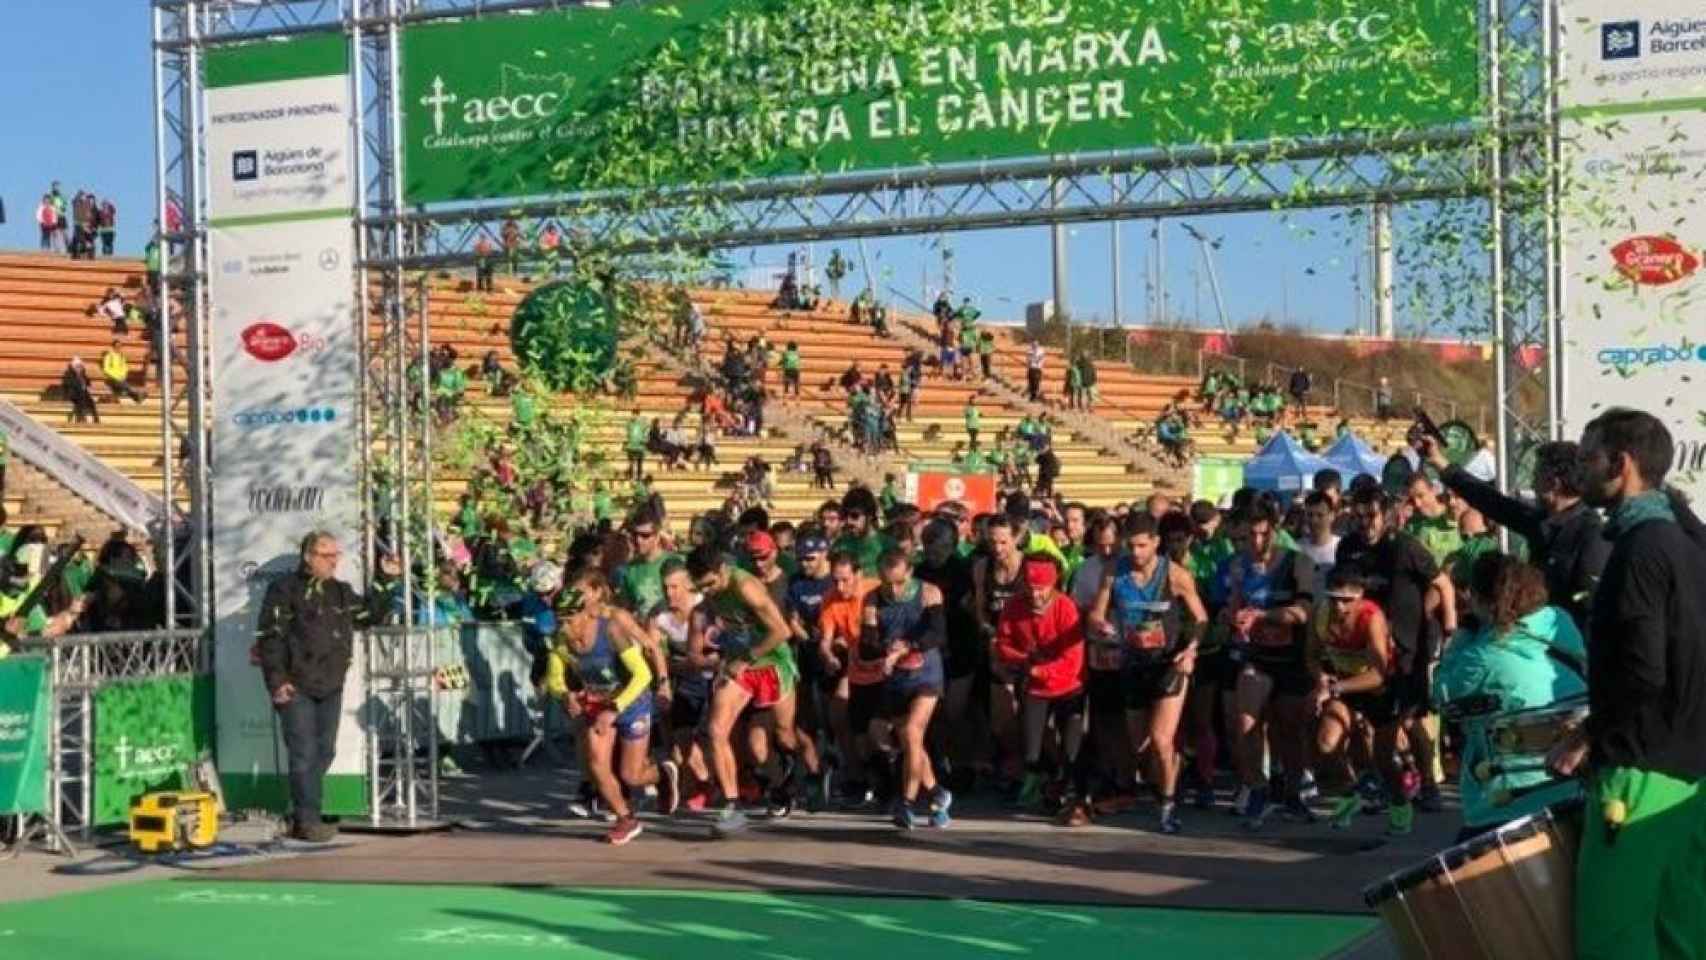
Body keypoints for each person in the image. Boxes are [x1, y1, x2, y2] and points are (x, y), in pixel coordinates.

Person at [1547, 409, 1706, 960]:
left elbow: (1642, 669)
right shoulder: (1687, 545)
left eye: (1588, 459)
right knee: (1680, 934)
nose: (1578, 473)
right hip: (1689, 775)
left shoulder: (1640, 550)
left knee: (1614, 938)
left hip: (1637, 774)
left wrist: (1589, 734)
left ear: (1621, 463)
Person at [1433, 554, 1586, 842]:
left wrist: (1462, 636)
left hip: (1508, 799)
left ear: (1479, 599)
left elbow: (1441, 695)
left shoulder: (1482, 656)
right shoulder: (1559, 621)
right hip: (1573, 784)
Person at [255, 532, 396, 842]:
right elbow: (271, 637)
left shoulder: (341, 592)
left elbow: (369, 616)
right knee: (303, 752)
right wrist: (277, 681)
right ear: (308, 556)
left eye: (336, 555)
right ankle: (308, 820)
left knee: (325, 750)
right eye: (326, 555)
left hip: (330, 684)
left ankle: (302, 811)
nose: (333, 561)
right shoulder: (284, 589)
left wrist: (385, 580)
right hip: (295, 684)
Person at [1336, 485, 1455, 833]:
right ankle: (1381, 783)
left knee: (1412, 719)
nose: (1364, 523)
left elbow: (1442, 584)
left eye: (1370, 515)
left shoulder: (1405, 547)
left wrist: (1446, 627)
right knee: (1367, 721)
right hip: (1366, 649)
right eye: (1356, 516)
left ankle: (1428, 784)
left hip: (1408, 649)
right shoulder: (1349, 547)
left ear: (1386, 514)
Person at [1420, 434, 1608, 633]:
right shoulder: (1541, 521)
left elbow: (1592, 606)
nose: (1533, 485)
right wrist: (1439, 461)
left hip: (1568, 650)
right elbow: (1490, 500)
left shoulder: (1592, 535)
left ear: (1554, 483)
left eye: (1536, 476)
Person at [543, 571, 679, 846]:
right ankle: (626, 818)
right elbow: (555, 679)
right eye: (560, 622)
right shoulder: (560, 640)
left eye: (570, 621)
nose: (566, 628)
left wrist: (616, 707)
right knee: (596, 764)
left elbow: (642, 675)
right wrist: (565, 694)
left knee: (631, 773)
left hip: (631, 700)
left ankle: (661, 774)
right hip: (598, 702)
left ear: (585, 615)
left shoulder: (612, 629)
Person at [687, 544, 803, 837]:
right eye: (703, 588)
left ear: (723, 570)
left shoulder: (747, 587)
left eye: (711, 585)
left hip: (771, 663)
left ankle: (790, 776)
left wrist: (747, 658)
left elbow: (782, 632)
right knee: (716, 731)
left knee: (780, 736)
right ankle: (731, 805)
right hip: (740, 666)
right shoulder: (711, 592)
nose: (709, 592)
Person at [1224, 499, 1316, 828]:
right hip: (1256, 657)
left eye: (1263, 535)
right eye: (1250, 536)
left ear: (1274, 532)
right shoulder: (1238, 565)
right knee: (1245, 723)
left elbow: (1303, 612)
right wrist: (1235, 617)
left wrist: (1265, 615)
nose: (1257, 543)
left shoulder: (1296, 563)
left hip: (1292, 658)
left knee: (1289, 731)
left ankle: (1293, 793)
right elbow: (1232, 605)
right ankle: (1258, 789)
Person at [1305, 564, 1401, 830]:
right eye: (1334, 599)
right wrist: (1320, 678)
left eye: (1347, 601)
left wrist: (1334, 689)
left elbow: (1379, 675)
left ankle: (1401, 808)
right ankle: (1353, 792)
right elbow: (1311, 656)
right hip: (1343, 682)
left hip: (1379, 687)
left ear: (1360, 596)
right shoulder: (1320, 614)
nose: (1340, 608)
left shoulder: (1371, 618)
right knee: (1326, 742)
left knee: (1383, 760)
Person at [862, 547, 952, 829]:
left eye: (899, 583)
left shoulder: (929, 593)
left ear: (910, 573)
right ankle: (938, 793)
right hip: (896, 676)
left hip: (926, 672)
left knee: (913, 731)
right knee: (906, 740)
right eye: (887, 582)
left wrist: (908, 646)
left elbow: (938, 633)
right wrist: (885, 648)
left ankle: (907, 802)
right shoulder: (873, 599)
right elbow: (867, 643)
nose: (894, 590)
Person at [997, 556, 1088, 823]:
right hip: (1034, 687)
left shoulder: (1065, 607)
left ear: (1053, 584)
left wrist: (1040, 670)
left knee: (1072, 747)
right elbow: (1003, 642)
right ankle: (1053, 784)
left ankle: (1077, 797)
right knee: (1032, 751)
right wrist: (1023, 661)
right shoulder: (1015, 606)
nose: (1036, 594)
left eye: (1041, 588)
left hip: (1068, 685)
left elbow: (1073, 659)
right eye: (1031, 588)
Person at [62, 356, 99, 424]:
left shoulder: (82, 374)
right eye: (77, 366)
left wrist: (84, 379)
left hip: (83, 393)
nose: (79, 368)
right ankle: (81, 418)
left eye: (80, 366)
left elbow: (88, 383)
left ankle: (96, 418)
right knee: (80, 400)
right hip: (72, 394)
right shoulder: (68, 374)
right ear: (73, 366)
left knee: (91, 401)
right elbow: (68, 384)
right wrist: (79, 383)